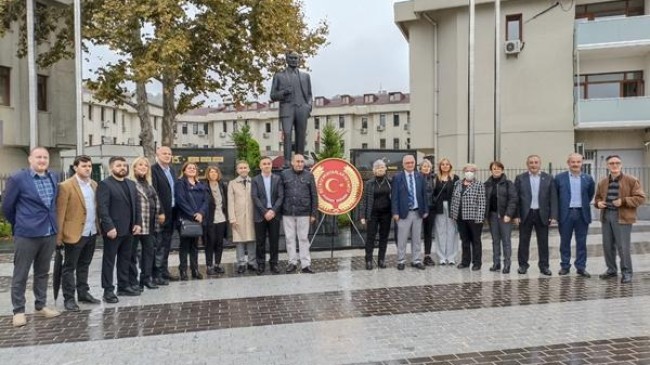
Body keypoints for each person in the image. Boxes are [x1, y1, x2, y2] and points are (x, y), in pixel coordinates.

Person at [2, 147, 61, 327]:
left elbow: (53, 204)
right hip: (26, 234)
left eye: (45, 157)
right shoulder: (18, 178)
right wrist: (20, 224)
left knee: (42, 272)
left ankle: (40, 305)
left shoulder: (54, 176)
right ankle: (18, 311)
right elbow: (7, 207)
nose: (42, 160)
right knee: (21, 273)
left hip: (49, 232)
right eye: (38, 157)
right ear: (30, 159)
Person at [56, 155, 101, 312]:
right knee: (69, 267)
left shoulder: (94, 185)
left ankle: (83, 293)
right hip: (73, 233)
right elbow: (60, 213)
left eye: (89, 166)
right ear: (75, 168)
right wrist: (59, 236)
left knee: (85, 264)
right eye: (84, 166)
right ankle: (69, 298)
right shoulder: (65, 186)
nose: (87, 168)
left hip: (91, 231)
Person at [97, 156, 143, 303]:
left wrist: (137, 223)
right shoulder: (105, 184)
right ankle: (108, 290)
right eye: (118, 165)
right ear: (111, 168)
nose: (122, 167)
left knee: (126, 259)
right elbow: (102, 208)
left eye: (124, 165)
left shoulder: (131, 183)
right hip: (113, 230)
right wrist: (109, 227)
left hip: (129, 229)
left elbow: (136, 205)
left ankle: (123, 286)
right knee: (109, 261)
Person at [595, 155, 646, 284]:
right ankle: (611, 270)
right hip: (606, 217)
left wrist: (623, 201)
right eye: (611, 163)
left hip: (622, 217)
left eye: (617, 163)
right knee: (607, 246)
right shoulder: (602, 182)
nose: (615, 165)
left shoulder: (631, 180)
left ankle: (627, 273)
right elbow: (597, 198)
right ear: (607, 165)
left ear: (621, 164)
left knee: (623, 247)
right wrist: (598, 204)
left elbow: (641, 198)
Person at [514, 155, 558, 276]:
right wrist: (516, 215)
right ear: (527, 164)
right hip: (525, 214)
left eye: (536, 162)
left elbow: (553, 198)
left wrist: (553, 215)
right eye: (531, 162)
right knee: (523, 241)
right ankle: (523, 265)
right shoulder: (520, 178)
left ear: (540, 164)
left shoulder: (548, 178)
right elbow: (515, 198)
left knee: (543, 242)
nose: (534, 165)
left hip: (542, 213)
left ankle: (544, 266)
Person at [270, 51, 313, 168]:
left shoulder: (305, 76)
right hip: (287, 108)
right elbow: (273, 95)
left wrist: (308, 107)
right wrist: (283, 93)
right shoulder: (279, 76)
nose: (294, 60)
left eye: (296, 58)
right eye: (292, 58)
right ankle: (287, 161)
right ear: (287, 60)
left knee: (301, 134)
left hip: (302, 108)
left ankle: (300, 160)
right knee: (287, 134)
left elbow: (309, 95)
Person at [555, 153, 595, 278]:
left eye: (578, 162)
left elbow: (590, 194)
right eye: (573, 162)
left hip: (582, 214)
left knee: (581, 242)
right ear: (568, 163)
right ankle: (565, 266)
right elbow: (555, 196)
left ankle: (581, 267)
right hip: (565, 213)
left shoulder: (588, 178)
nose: (575, 164)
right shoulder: (559, 178)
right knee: (565, 241)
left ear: (582, 163)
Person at [130, 157, 165, 290]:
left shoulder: (148, 184)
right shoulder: (131, 183)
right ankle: (132, 281)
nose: (143, 167)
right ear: (134, 168)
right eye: (140, 165)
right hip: (136, 225)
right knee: (132, 254)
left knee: (149, 253)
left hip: (150, 224)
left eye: (146, 165)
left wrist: (160, 212)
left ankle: (146, 278)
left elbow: (156, 200)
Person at [281, 154, 318, 273]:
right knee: (289, 238)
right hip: (288, 212)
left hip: (304, 212)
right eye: (297, 161)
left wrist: (313, 213)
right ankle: (292, 262)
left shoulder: (309, 175)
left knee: (303, 238)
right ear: (292, 162)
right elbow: (280, 194)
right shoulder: (284, 174)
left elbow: (314, 195)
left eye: (302, 161)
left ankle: (305, 264)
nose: (300, 164)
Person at [391, 154, 429, 271]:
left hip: (418, 212)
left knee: (417, 239)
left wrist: (426, 210)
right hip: (403, 213)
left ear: (414, 163)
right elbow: (394, 197)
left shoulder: (420, 176)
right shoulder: (397, 177)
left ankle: (416, 260)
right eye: (407, 163)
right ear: (403, 164)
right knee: (402, 238)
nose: (410, 165)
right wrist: (395, 212)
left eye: (412, 162)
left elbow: (424, 195)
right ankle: (401, 260)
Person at [175, 162, 208, 280]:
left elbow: (206, 201)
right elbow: (180, 200)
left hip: (199, 219)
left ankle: (195, 270)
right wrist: (193, 214)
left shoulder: (201, 184)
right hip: (185, 219)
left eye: (194, 168)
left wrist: (201, 213)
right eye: (189, 168)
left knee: (195, 246)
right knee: (184, 246)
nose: (192, 169)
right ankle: (183, 271)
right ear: (184, 170)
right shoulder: (180, 184)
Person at [251, 156, 284, 275]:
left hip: (274, 214)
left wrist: (273, 211)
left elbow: (281, 197)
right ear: (260, 166)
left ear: (271, 165)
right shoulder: (255, 180)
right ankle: (260, 264)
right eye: (264, 164)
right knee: (260, 241)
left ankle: (274, 263)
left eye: (268, 163)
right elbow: (255, 197)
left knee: (274, 240)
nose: (266, 165)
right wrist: (265, 212)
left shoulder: (278, 179)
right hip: (260, 214)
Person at [450, 163, 486, 270]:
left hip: (474, 218)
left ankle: (477, 263)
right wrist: (453, 214)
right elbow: (454, 199)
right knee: (464, 240)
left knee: (476, 240)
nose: (469, 172)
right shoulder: (457, 183)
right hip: (460, 217)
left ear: (475, 173)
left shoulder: (479, 184)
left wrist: (479, 219)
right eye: (467, 170)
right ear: (464, 171)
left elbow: (482, 202)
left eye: (472, 171)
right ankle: (465, 261)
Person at [484, 161, 517, 274]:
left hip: (505, 216)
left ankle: (507, 264)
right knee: (495, 241)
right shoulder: (487, 184)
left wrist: (509, 214)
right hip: (492, 216)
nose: (496, 170)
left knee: (506, 241)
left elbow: (513, 200)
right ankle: (496, 263)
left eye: (499, 168)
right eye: (494, 168)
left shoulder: (508, 184)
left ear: (502, 170)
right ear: (491, 170)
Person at [151, 146, 178, 285]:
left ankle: (164, 270)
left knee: (167, 243)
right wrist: (160, 211)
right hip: (161, 214)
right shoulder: (153, 170)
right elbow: (154, 193)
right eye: (164, 153)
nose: (167, 155)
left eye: (169, 153)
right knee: (159, 244)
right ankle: (156, 274)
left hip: (172, 211)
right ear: (157, 154)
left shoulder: (172, 170)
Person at [359, 159, 392, 270]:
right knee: (370, 237)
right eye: (377, 168)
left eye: (382, 167)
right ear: (374, 170)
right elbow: (364, 200)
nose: (380, 170)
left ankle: (381, 260)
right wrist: (362, 216)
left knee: (384, 237)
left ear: (385, 169)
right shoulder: (369, 183)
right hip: (372, 214)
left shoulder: (389, 182)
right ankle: (368, 260)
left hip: (386, 214)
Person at [228, 161, 257, 274]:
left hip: (252, 215)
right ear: (237, 170)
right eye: (241, 168)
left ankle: (252, 262)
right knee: (239, 240)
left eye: (245, 167)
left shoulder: (254, 182)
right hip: (238, 215)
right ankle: (241, 263)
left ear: (249, 169)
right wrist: (232, 218)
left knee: (251, 239)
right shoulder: (232, 183)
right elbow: (230, 202)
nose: (243, 169)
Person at [432, 158, 459, 265]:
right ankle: (442, 257)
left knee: (452, 231)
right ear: (440, 166)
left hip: (452, 206)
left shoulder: (455, 178)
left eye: (447, 164)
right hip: (439, 207)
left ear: (450, 166)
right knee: (440, 232)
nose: (445, 166)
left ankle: (451, 257)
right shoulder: (435, 178)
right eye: (442, 164)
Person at [203, 165, 228, 276]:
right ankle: (209, 265)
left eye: (215, 172)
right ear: (208, 174)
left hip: (221, 217)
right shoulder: (204, 186)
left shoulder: (222, 185)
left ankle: (217, 264)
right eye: (211, 172)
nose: (213, 174)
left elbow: (225, 201)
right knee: (210, 242)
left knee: (219, 242)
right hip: (210, 218)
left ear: (218, 174)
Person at [420, 159, 436, 266]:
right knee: (416, 233)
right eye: (424, 166)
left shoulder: (434, 178)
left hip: (431, 209)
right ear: (420, 168)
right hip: (419, 209)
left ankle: (427, 255)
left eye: (428, 166)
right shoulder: (416, 178)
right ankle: (416, 256)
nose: (426, 168)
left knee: (428, 233)